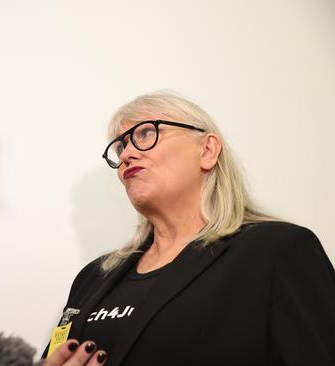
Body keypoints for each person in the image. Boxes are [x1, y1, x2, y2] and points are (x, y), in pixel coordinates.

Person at [42, 92, 335, 366]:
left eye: (145, 133)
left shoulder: (278, 250)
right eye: (121, 147)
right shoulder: (92, 277)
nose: (128, 154)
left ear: (207, 150)